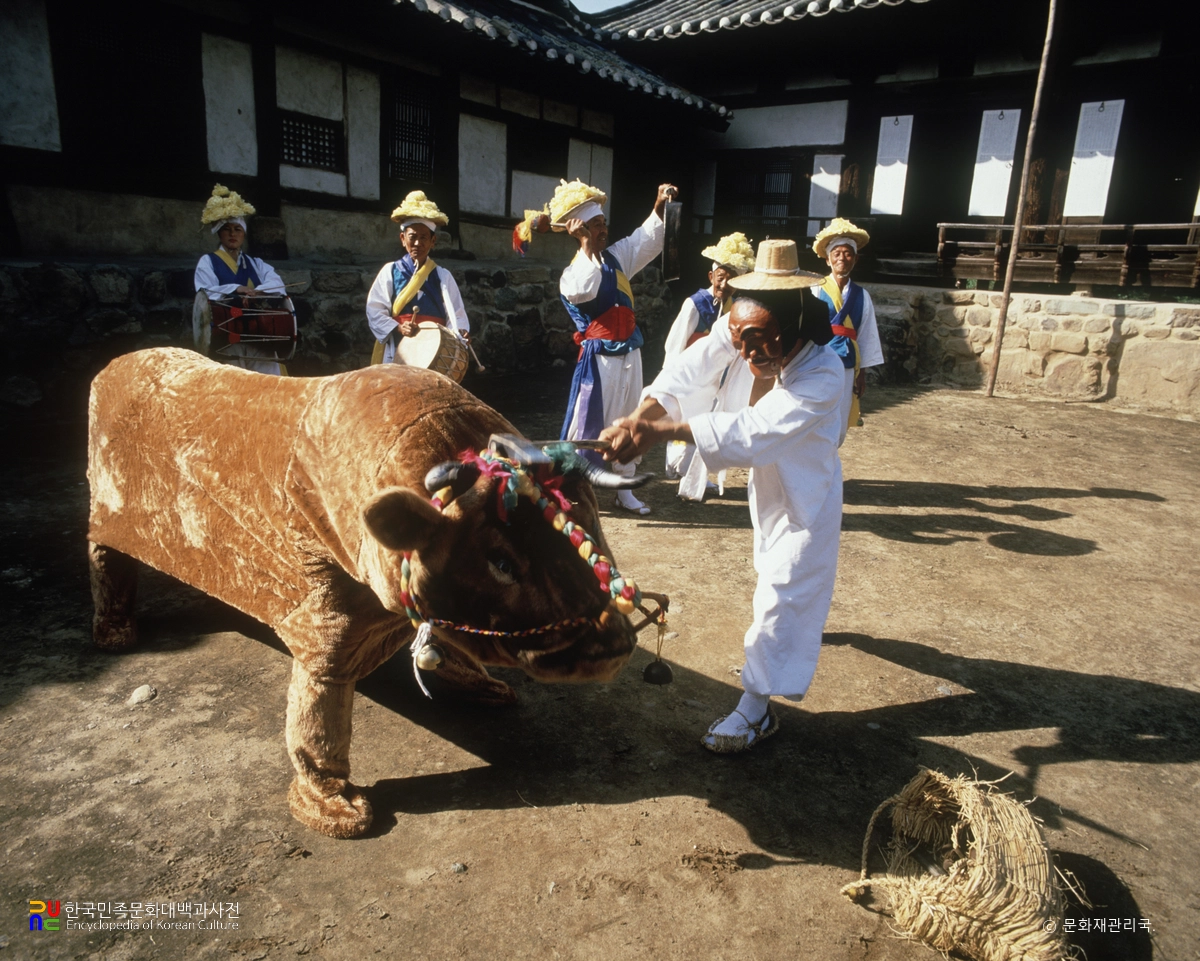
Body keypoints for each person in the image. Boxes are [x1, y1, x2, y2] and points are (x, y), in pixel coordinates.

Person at [600, 240, 843, 753]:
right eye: (740, 340)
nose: (747, 352)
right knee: (773, 578)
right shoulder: (743, 323)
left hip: (808, 497)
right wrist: (640, 418)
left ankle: (755, 710)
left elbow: (755, 433)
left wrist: (664, 432)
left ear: (793, 324)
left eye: (759, 341)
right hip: (769, 489)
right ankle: (789, 640)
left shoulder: (825, 374)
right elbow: (687, 369)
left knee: (784, 587)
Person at [552, 178, 677, 515]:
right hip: (599, 359)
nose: (602, 230)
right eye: (594, 226)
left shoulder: (616, 258)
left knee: (629, 416)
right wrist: (586, 247)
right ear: (579, 231)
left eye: (603, 223)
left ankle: (624, 485)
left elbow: (644, 241)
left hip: (630, 352)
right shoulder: (573, 271)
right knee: (588, 423)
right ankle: (575, 486)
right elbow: (584, 292)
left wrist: (658, 207)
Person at [661, 232, 756, 499]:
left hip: (717, 376)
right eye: (720, 277)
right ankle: (682, 470)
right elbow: (675, 343)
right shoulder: (695, 304)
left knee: (708, 422)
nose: (724, 284)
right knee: (687, 417)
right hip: (691, 373)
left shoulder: (735, 307)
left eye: (731, 279)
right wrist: (672, 375)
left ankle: (695, 476)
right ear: (710, 276)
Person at [195, 184, 289, 375]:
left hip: (259, 337)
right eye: (227, 229)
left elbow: (278, 284)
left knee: (268, 388)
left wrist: (259, 291)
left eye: (237, 229)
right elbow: (205, 292)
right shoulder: (208, 262)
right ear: (219, 233)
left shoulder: (256, 263)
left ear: (243, 233)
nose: (232, 234)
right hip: (227, 339)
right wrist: (237, 288)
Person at [366, 191, 469, 365]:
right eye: (412, 237)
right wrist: (398, 327)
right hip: (400, 347)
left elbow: (456, 314)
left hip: (434, 351)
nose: (417, 243)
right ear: (402, 238)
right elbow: (374, 310)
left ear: (433, 241)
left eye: (424, 238)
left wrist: (459, 332)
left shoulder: (443, 276)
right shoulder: (390, 271)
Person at [811, 218, 884, 446]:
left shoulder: (862, 295)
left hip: (847, 363)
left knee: (840, 417)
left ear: (856, 259)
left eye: (848, 254)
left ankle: (831, 458)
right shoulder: (814, 288)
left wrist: (861, 373)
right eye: (837, 253)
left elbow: (866, 333)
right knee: (816, 412)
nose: (842, 258)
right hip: (818, 358)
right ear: (828, 259)